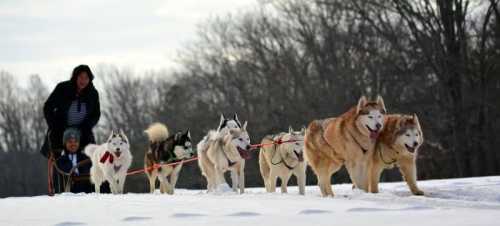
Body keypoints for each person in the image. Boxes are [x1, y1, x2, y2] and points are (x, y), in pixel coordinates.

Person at [40, 64, 100, 158]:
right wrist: (53, 125)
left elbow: (96, 114)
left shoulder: (93, 93)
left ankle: (89, 171)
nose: (83, 81)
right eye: (81, 77)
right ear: (75, 77)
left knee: (91, 154)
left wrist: (88, 125)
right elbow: (48, 107)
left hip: (83, 129)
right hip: (61, 129)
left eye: (86, 78)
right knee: (57, 155)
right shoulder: (63, 88)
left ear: (90, 79)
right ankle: (58, 171)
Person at [55, 128, 93, 193]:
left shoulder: (86, 158)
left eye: (76, 141)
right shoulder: (60, 161)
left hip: (87, 190)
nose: (73, 144)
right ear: (65, 143)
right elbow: (58, 180)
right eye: (70, 142)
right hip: (69, 191)